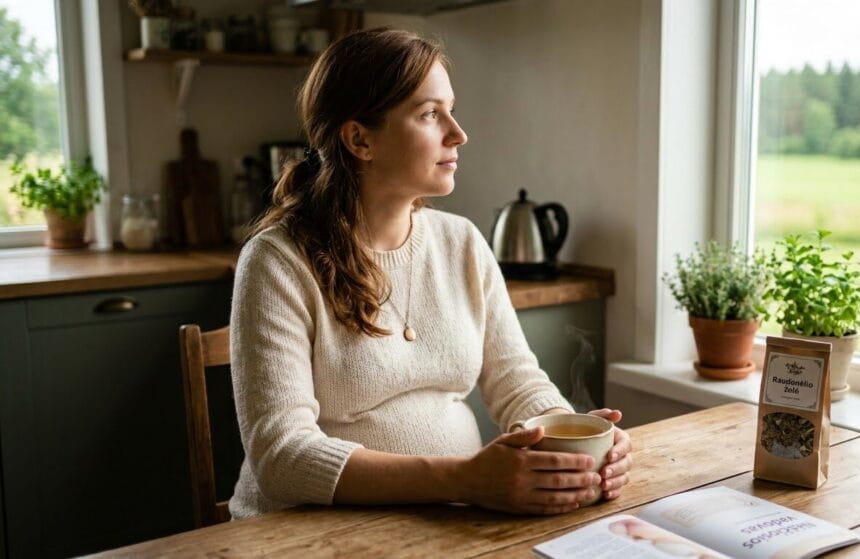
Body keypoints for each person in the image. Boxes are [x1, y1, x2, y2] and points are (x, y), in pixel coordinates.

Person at [228, 27, 633, 519]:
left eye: (451, 109)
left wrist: (570, 440)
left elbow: (517, 382)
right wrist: (462, 478)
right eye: (428, 114)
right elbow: (281, 456)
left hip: (445, 518)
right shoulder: (278, 260)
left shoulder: (460, 241)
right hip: (308, 533)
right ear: (359, 139)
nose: (457, 133)